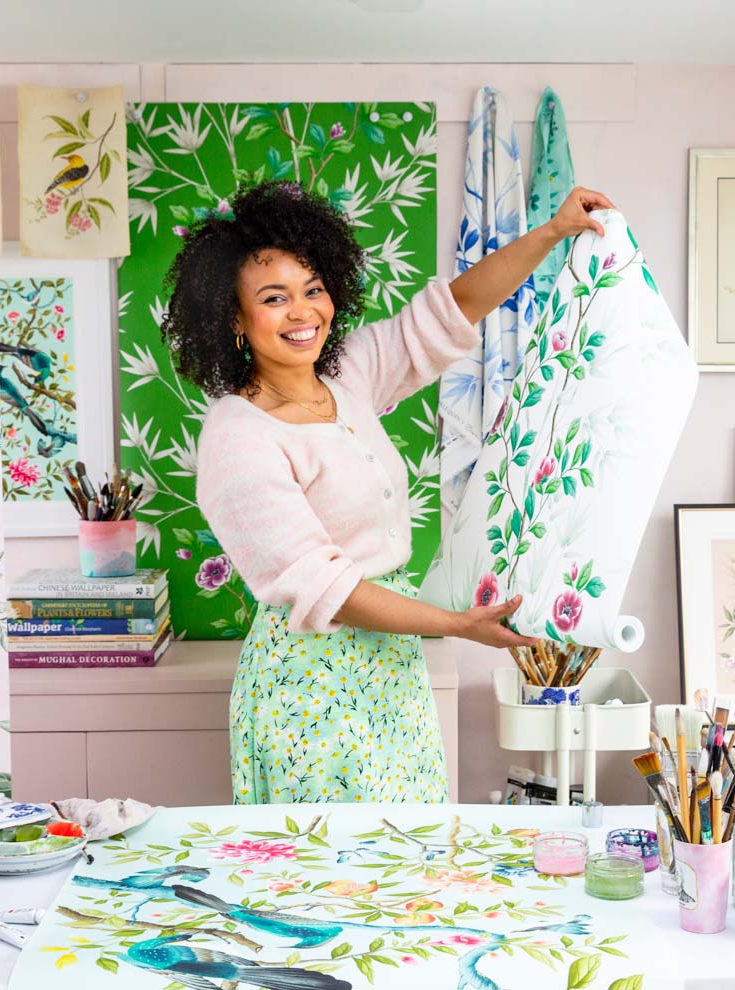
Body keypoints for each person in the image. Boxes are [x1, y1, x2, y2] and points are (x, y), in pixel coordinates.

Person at [162, 179, 615, 805]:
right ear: (234, 318)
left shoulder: (344, 376)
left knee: (407, 865)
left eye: (313, 290)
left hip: (391, 670)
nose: (303, 313)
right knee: (331, 881)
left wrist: (553, 232)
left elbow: (452, 310)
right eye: (275, 298)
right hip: (308, 687)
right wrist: (457, 625)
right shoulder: (235, 439)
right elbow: (332, 591)